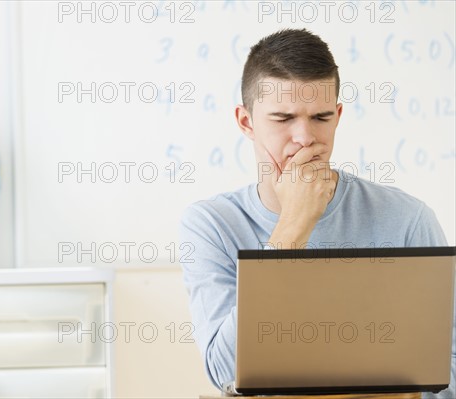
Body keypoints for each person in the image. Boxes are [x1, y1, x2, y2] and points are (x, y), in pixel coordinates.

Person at [178, 28, 453, 398]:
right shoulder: (211, 225)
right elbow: (224, 370)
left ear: (338, 116)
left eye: (321, 117)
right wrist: (293, 226)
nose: (305, 137)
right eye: (282, 118)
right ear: (246, 122)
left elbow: (446, 368)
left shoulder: (408, 218)